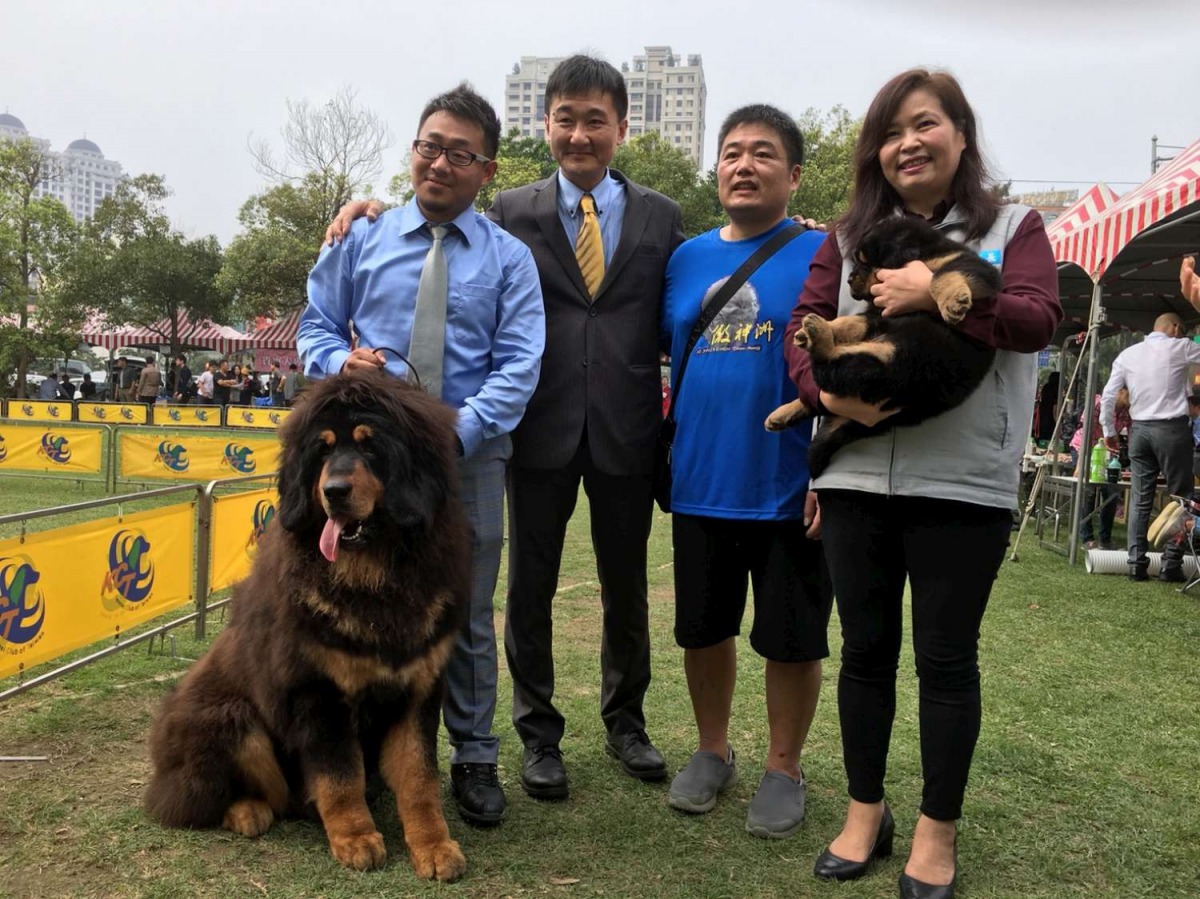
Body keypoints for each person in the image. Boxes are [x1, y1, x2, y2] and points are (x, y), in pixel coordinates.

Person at [327, 55, 684, 800]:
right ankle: (536, 735)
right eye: (566, 118)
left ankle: (625, 721)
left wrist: (808, 231)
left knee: (626, 587)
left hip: (617, 429)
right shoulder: (511, 211)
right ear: (543, 126)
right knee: (525, 591)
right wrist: (364, 207)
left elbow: (690, 290)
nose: (580, 134)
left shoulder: (662, 215)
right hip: (539, 434)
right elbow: (421, 210)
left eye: (596, 120)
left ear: (622, 126)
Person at [785, 68, 1060, 897]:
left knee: (945, 660)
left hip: (964, 482)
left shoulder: (1013, 226)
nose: (908, 142)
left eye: (926, 124)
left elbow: (1037, 317)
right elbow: (802, 341)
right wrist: (828, 398)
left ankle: (936, 832)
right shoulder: (846, 240)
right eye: (892, 130)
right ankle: (865, 810)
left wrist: (935, 296)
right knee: (865, 655)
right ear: (877, 152)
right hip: (859, 477)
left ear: (960, 136)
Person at [299, 83, 545, 827]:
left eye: (459, 153)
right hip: (366, 466)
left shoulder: (508, 260)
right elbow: (314, 325)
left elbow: (519, 363)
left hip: (466, 461)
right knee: (359, 608)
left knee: (464, 612)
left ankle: (473, 755)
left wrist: (450, 438)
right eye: (428, 146)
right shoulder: (360, 238)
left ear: (486, 169)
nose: (439, 163)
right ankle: (371, 751)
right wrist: (340, 363)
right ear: (412, 151)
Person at [660, 105, 831, 839]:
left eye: (763, 154)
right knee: (703, 628)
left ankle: (783, 766)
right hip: (701, 480)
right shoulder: (685, 259)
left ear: (792, 175)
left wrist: (830, 469)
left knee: (793, 637)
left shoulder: (826, 254)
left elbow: (842, 365)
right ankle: (711, 749)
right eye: (731, 153)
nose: (744, 165)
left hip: (791, 485)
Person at [1102, 305, 1200, 582]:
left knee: (1140, 499)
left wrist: (1109, 430)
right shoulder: (1181, 346)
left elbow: (1109, 395)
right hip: (1171, 429)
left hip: (1140, 431)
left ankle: (1136, 563)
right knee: (1182, 500)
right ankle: (1170, 564)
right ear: (1176, 329)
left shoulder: (1128, 354)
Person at [1070, 391, 1130, 550]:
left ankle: (1105, 539)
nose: (1130, 399)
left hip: (1107, 452)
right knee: (1088, 491)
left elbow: (1132, 435)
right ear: (1120, 391)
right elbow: (1086, 435)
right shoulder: (1097, 403)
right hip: (1085, 448)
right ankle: (1086, 538)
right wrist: (1080, 466)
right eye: (1129, 394)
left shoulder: (1127, 411)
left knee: (1111, 493)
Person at [1031, 370, 1060, 446]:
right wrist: (1058, 424)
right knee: (1048, 437)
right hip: (1050, 417)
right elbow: (1055, 409)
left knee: (1042, 435)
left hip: (1043, 413)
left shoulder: (1046, 387)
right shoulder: (1056, 390)